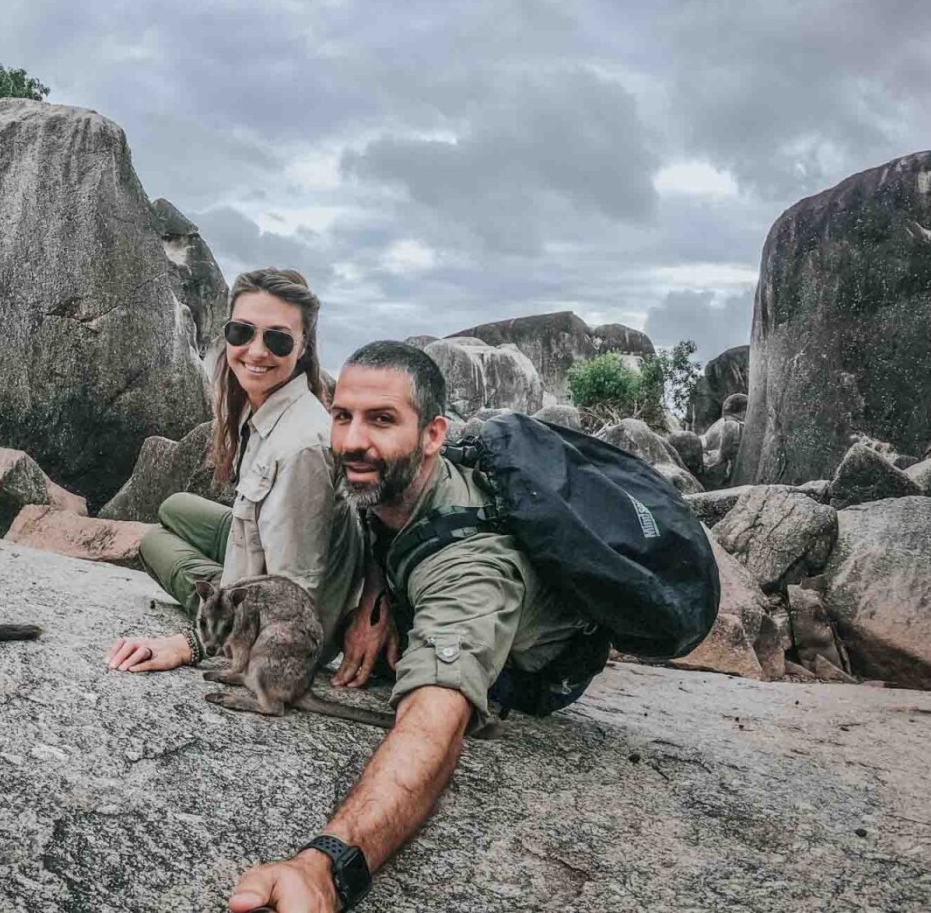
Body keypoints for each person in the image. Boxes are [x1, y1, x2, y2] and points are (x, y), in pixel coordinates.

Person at [227, 341, 591, 913]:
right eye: (342, 416)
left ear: (433, 436)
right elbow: (377, 520)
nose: (350, 441)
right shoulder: (395, 485)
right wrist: (377, 602)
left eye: (381, 420)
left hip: (523, 665)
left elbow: (433, 728)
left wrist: (325, 868)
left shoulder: (472, 567)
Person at [104, 268, 368, 675]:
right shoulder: (263, 405)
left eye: (277, 339)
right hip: (260, 551)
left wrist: (193, 643)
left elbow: (294, 594)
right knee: (174, 506)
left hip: (284, 613)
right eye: (242, 332)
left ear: (302, 348)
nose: (257, 351)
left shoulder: (302, 448)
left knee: (154, 543)